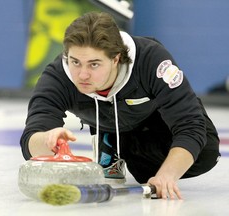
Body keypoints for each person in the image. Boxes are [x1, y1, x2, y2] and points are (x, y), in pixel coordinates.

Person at [20, 11, 220, 200]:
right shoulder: (58, 76)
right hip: (105, 118)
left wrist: (167, 175)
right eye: (75, 62)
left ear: (115, 59)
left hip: (154, 119)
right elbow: (30, 138)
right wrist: (45, 139)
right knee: (146, 171)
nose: (82, 75)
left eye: (94, 64)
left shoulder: (152, 61)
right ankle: (108, 139)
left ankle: (117, 142)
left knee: (203, 154)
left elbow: (191, 126)